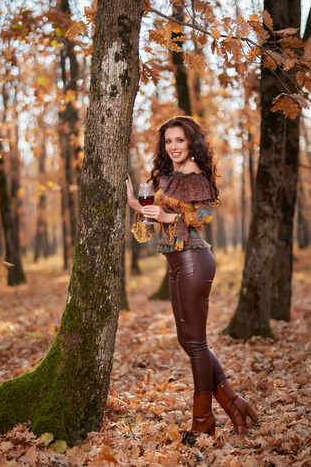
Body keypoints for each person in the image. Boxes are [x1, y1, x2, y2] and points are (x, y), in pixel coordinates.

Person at [126, 116, 258, 435]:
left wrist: (166, 215)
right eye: (168, 141)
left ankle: (202, 422)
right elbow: (153, 228)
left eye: (180, 140)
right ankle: (233, 402)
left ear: (191, 143)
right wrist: (137, 205)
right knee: (187, 340)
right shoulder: (167, 178)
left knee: (196, 343)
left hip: (194, 259)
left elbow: (204, 215)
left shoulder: (195, 175)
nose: (173, 147)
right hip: (176, 262)